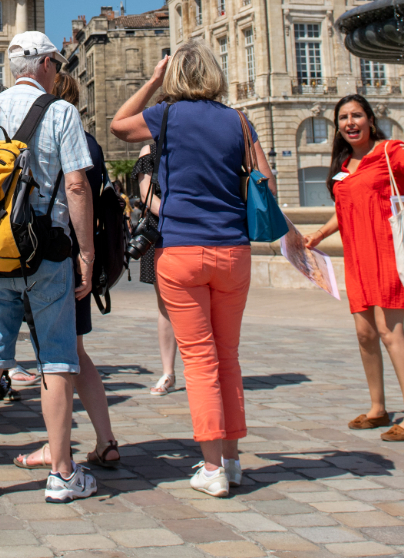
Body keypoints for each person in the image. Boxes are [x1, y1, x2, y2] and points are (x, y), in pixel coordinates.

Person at [112, 42, 304, 496]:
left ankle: (212, 467)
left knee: (198, 360)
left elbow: (119, 125)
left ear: (175, 76)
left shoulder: (165, 115)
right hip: (233, 250)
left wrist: (153, 81)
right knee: (228, 356)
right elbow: (267, 182)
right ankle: (232, 461)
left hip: (181, 249)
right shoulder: (239, 120)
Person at [0, 31, 99, 505]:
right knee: (57, 358)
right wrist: (86, 252)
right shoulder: (60, 112)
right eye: (55, 64)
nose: (57, 72)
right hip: (48, 250)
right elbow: (76, 185)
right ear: (44, 65)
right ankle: (61, 473)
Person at [300, 94, 404, 443]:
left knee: (390, 332)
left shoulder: (389, 152)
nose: (350, 122)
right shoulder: (344, 166)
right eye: (343, 117)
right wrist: (318, 235)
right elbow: (345, 211)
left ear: (370, 120)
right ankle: (378, 408)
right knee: (365, 335)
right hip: (358, 258)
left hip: (389, 254)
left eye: (357, 115)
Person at [11, 70, 120, 471]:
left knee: (54, 358)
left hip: (56, 256)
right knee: (74, 353)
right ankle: (105, 440)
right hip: (78, 258)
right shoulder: (89, 142)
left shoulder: (55, 139)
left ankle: (57, 450)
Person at [133, 142, 180, 396]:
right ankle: (168, 371)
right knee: (165, 305)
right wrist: (180, 218)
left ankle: (205, 369)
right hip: (160, 231)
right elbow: (147, 196)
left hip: (191, 229)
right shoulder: (150, 151)